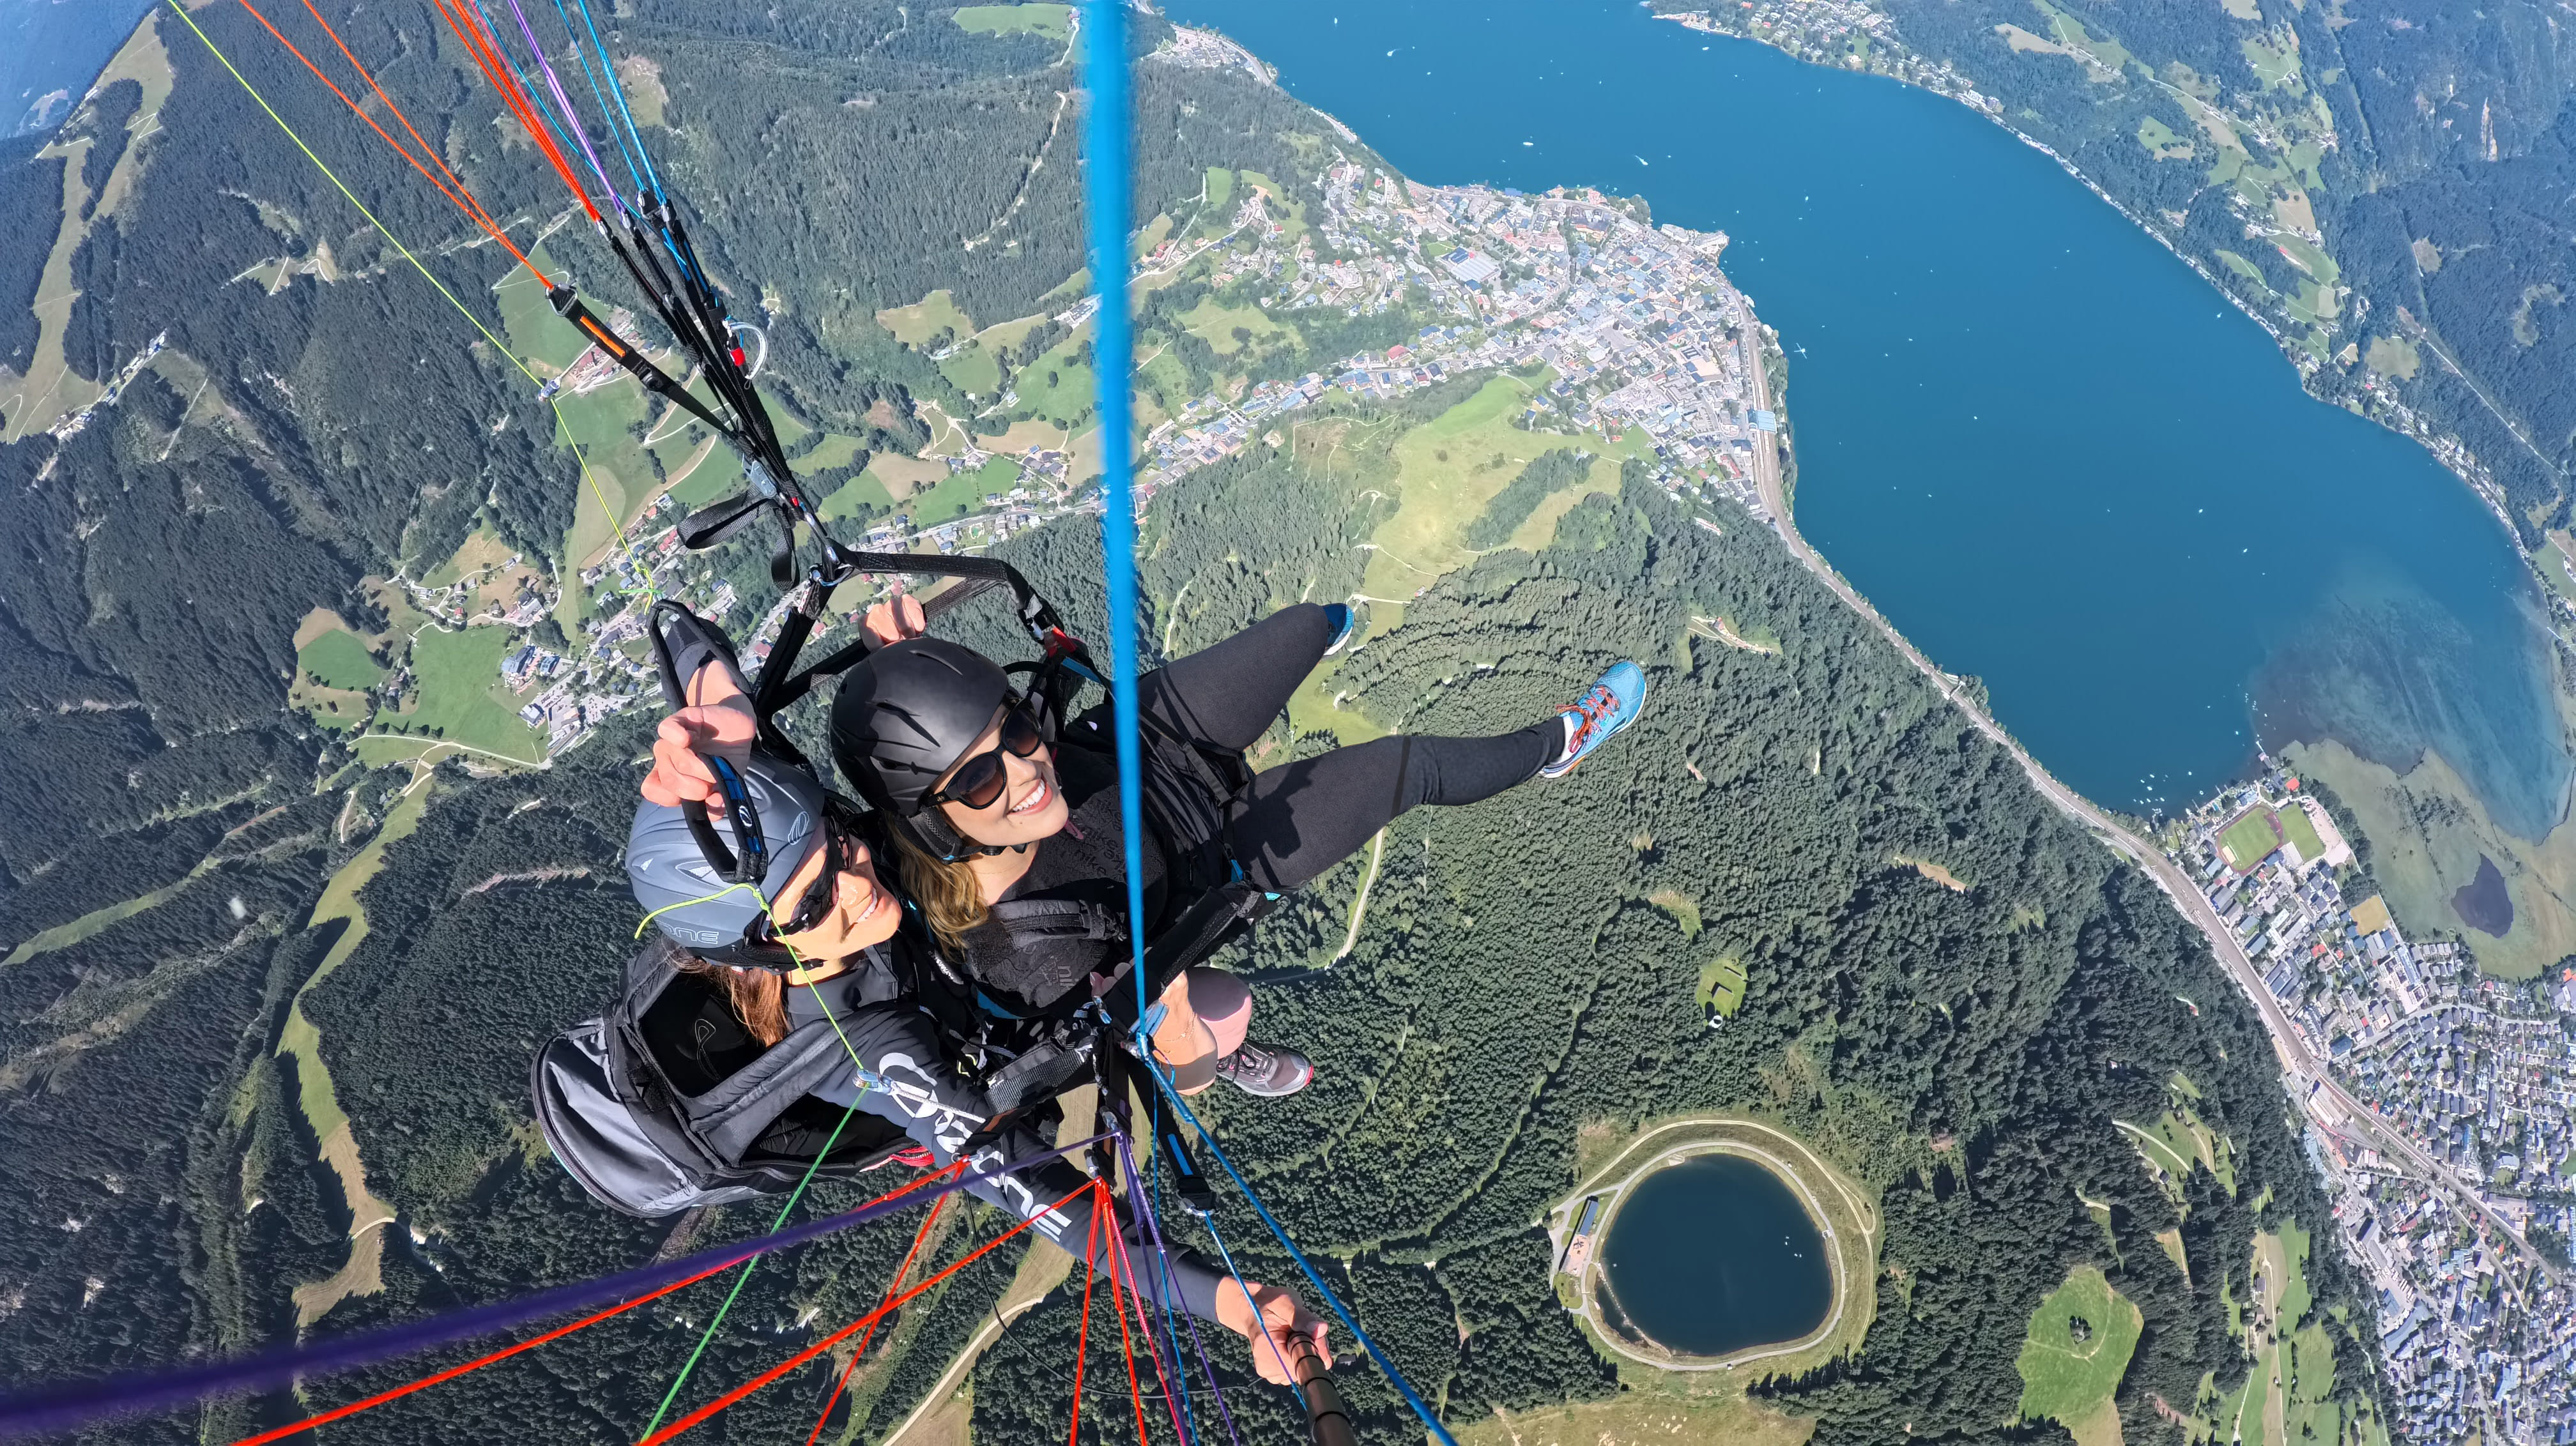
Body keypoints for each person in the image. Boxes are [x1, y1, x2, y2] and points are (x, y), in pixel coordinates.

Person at [631, 644, 1333, 1383]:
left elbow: (679, 634)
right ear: (762, 954)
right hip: (1014, 1038)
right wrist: (1236, 1304)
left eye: (839, 846)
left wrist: (721, 713)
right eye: (813, 903)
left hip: (984, 935)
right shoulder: (864, 1045)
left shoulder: (783, 849)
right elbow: (1049, 1202)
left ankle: (1191, 1037)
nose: (857, 881)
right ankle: (1202, 1050)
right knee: (1217, 1007)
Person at [646, 597, 1647, 1099]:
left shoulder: (863, 840)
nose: (1024, 770)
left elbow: (685, 638)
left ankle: (1329, 629)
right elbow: (1164, 1060)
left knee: (1309, 623)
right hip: (1224, 857)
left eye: (1014, 728)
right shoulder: (1034, 964)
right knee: (1408, 767)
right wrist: (1178, 1029)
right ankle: (1558, 743)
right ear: (940, 813)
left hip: (1139, 743)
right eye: (984, 780)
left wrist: (720, 716)